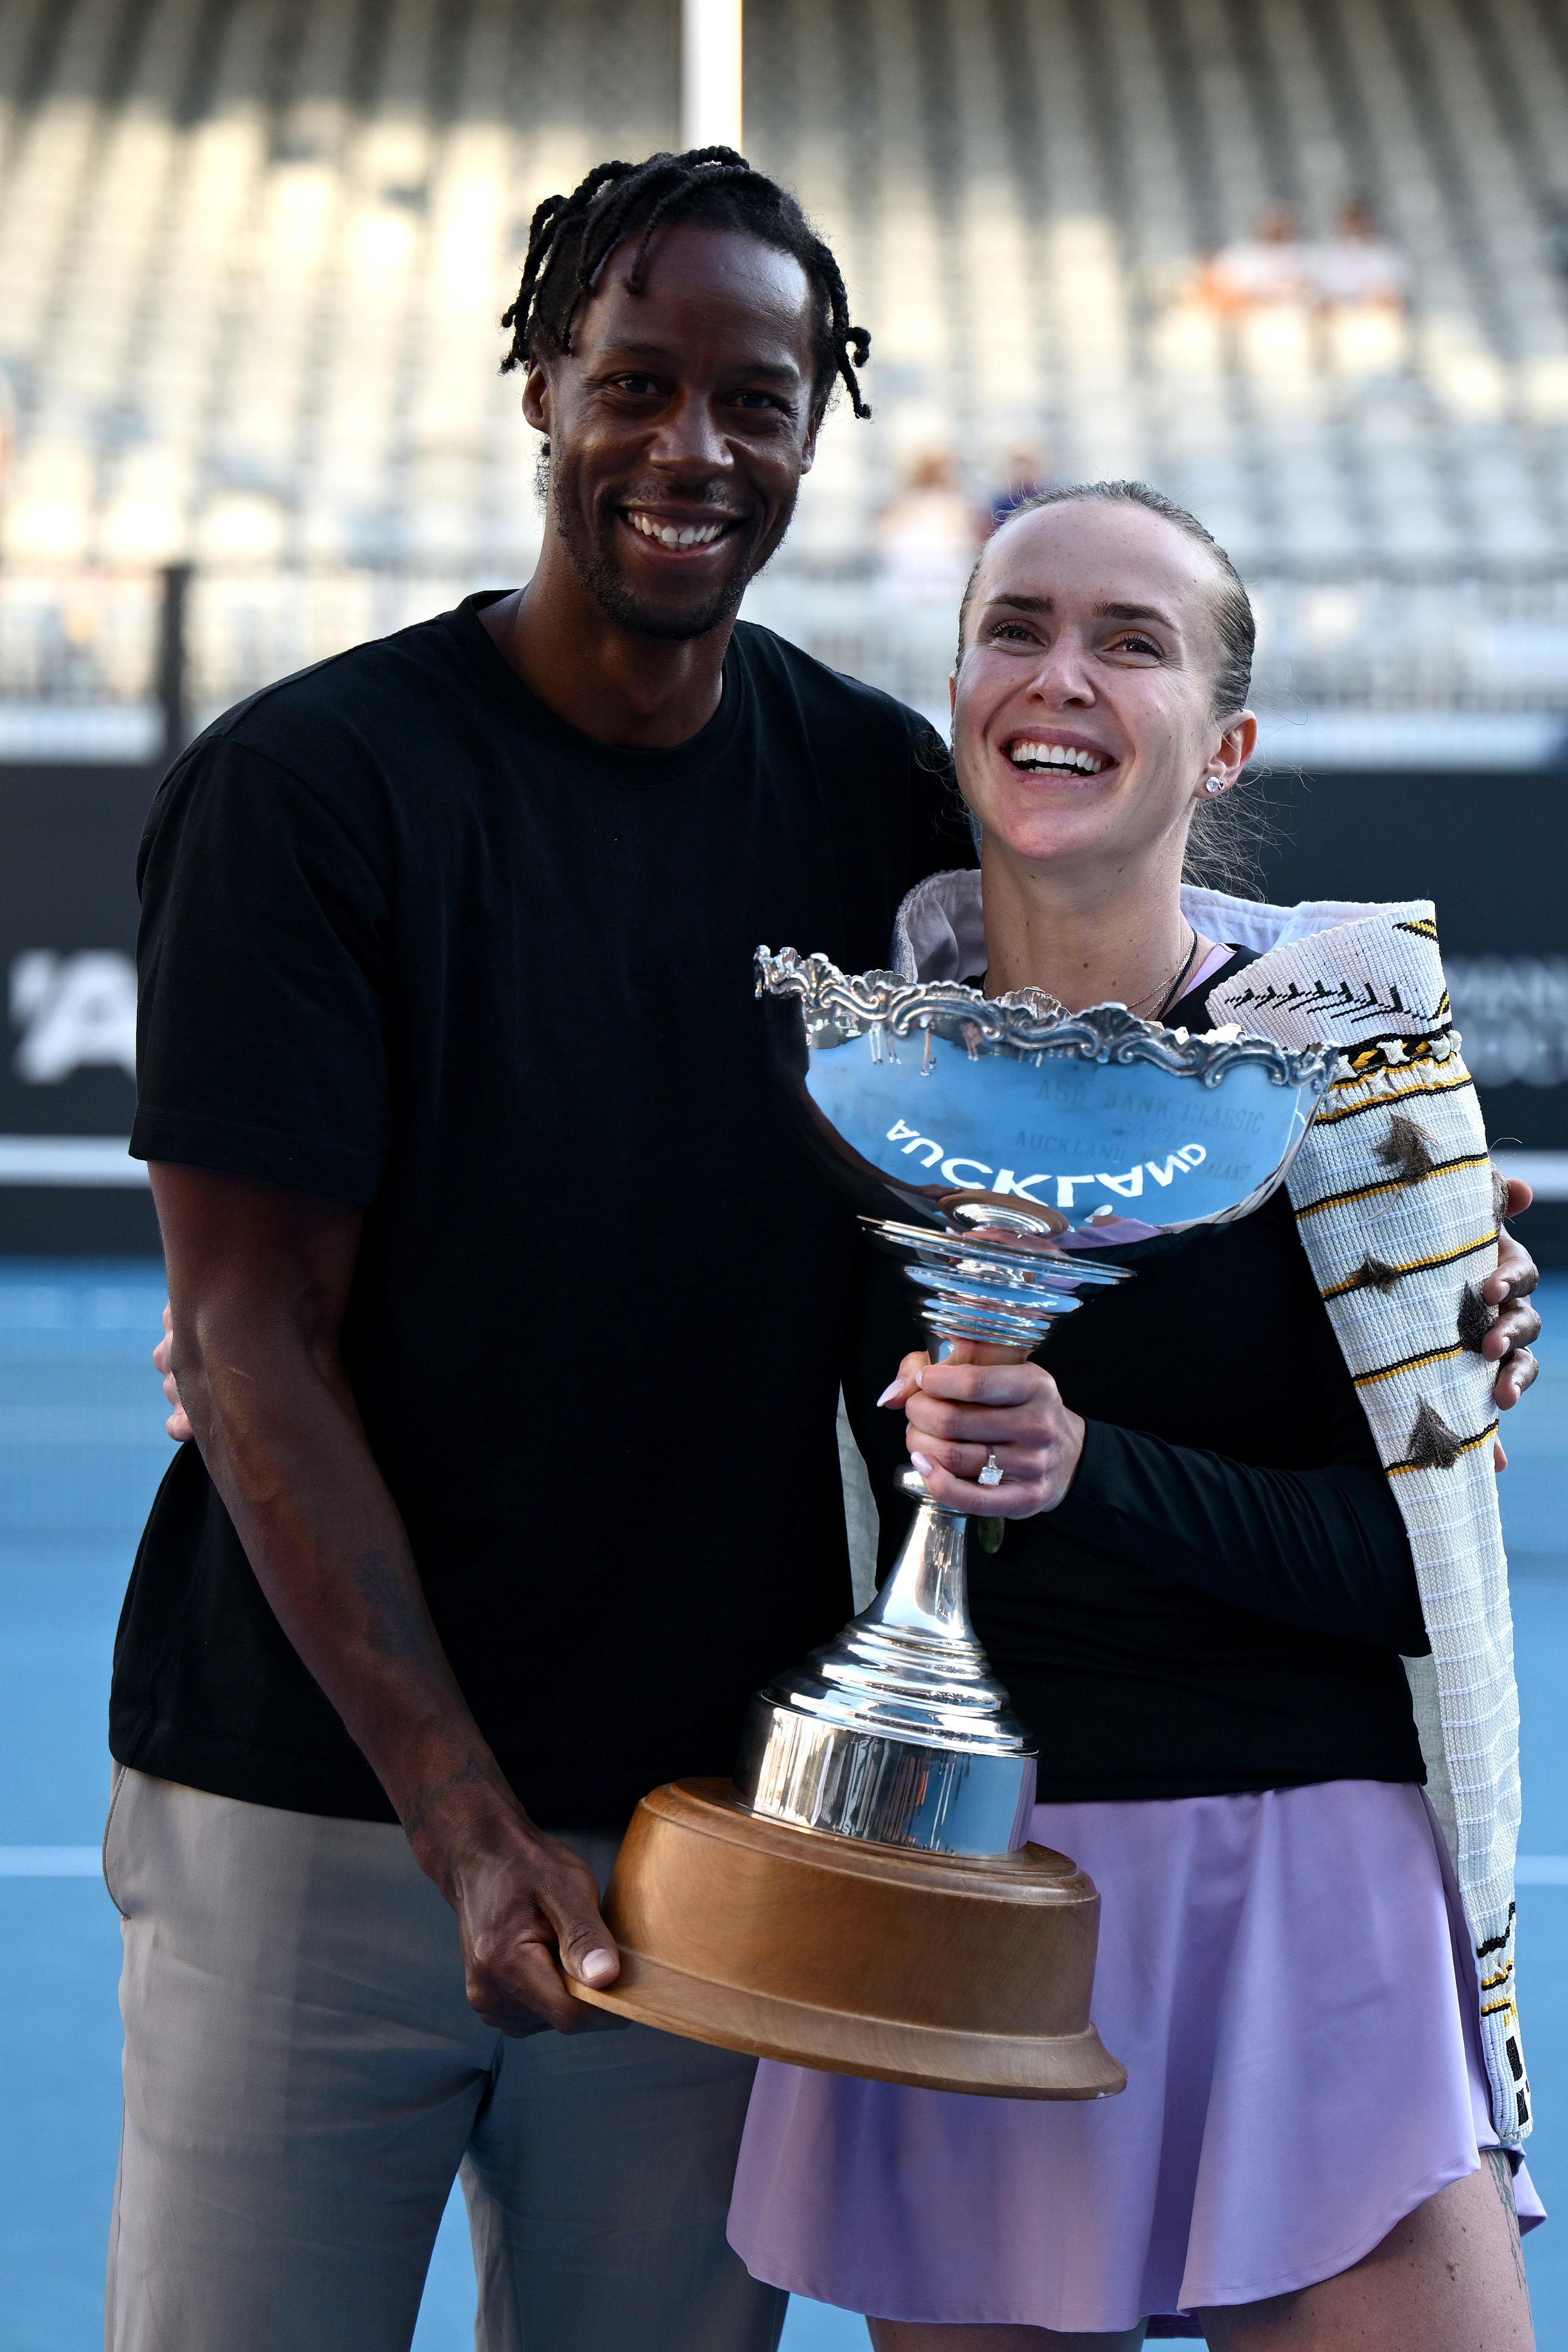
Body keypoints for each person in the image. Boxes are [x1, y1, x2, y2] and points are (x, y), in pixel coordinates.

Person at [107, 148, 977, 2352]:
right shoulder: (310, 788)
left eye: (757, 399)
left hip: (711, 1836)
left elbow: (1009, 1212)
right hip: (320, 1803)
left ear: (817, 424)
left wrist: (1411, 1254)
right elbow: (245, 1336)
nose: (695, 450)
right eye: (638, 383)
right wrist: (464, 1812)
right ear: (541, 390)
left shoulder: (877, 799)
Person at [726, 482, 1543, 2349]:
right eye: (1016, 627)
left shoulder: (1352, 1068)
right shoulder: (848, 1058)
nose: (1061, 674)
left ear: (1226, 740)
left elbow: (1413, 1568)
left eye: (1131, 639)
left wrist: (1094, 1471)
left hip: (1310, 1898)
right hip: (962, 1899)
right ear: (954, 697)